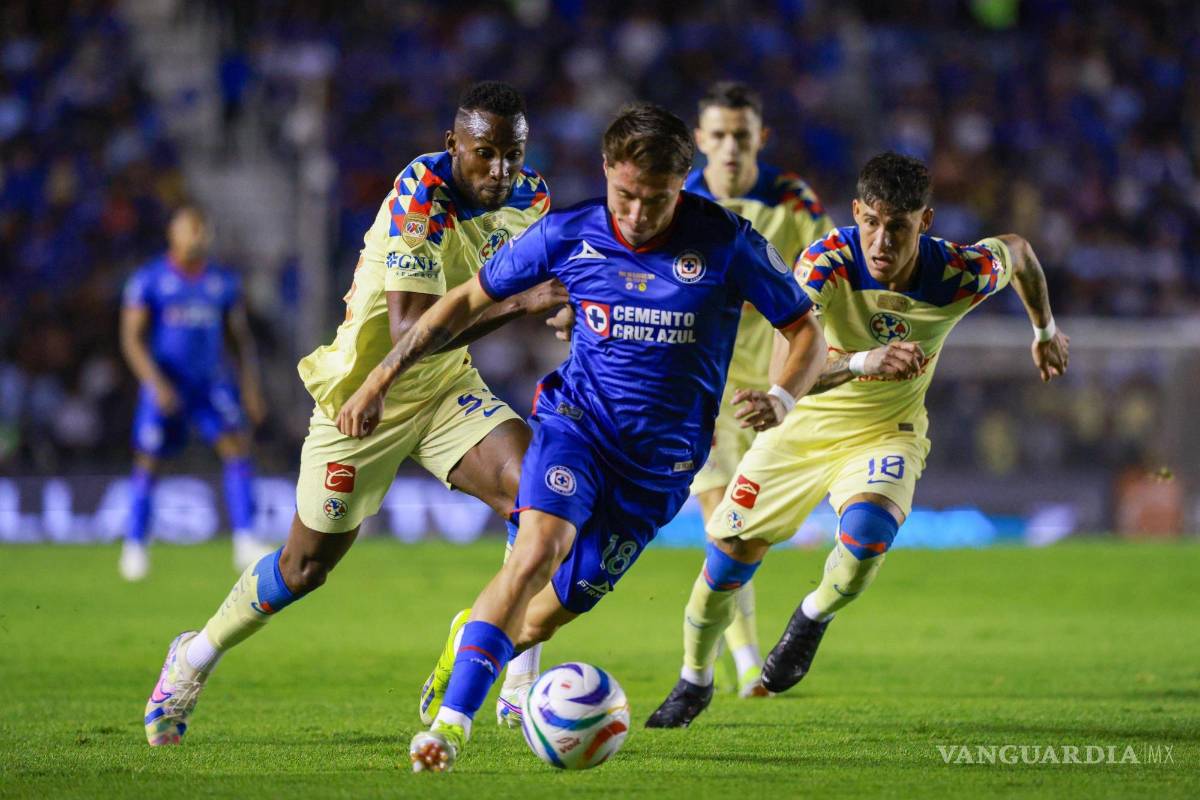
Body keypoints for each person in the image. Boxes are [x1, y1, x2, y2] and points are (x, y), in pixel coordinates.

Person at [334, 102, 827, 772]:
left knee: (537, 618)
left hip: (660, 469)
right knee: (536, 550)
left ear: (681, 185)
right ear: (606, 171)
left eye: (656, 199)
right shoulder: (570, 231)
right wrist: (380, 378)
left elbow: (804, 329)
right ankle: (450, 728)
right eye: (625, 195)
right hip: (577, 427)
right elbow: (465, 300)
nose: (637, 214)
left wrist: (782, 396)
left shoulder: (726, 241)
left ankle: (466, 639)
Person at [141, 81, 565, 746]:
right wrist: (524, 304)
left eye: (512, 153)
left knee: (540, 496)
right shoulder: (421, 194)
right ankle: (193, 656)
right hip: (363, 395)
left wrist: (571, 305)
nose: (501, 169)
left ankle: (514, 679)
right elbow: (411, 329)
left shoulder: (531, 197)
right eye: (485, 153)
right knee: (304, 569)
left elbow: (553, 276)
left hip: (445, 387)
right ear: (454, 145)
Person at [645, 151, 1070, 728]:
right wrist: (864, 361)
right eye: (871, 222)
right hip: (802, 432)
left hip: (886, 434)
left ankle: (812, 616)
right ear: (855, 213)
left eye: (898, 226)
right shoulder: (827, 262)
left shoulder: (957, 273)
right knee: (726, 562)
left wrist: (1044, 329)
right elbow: (786, 364)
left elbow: (1018, 252)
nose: (881, 241)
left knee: (868, 537)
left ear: (925, 222)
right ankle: (694, 679)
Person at [683, 80, 833, 697]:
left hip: (774, 394)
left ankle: (739, 660)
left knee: (750, 531)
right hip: (704, 393)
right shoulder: (681, 202)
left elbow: (829, 275)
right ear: (700, 139)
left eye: (740, 136)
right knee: (724, 522)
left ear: (760, 138)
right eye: (718, 135)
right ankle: (746, 665)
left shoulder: (793, 202)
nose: (729, 147)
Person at [118, 205, 272, 581]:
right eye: (191, 229)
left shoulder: (222, 282)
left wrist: (250, 388)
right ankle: (135, 545)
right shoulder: (150, 280)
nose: (199, 237)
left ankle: (245, 540)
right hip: (167, 383)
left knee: (236, 447)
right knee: (148, 458)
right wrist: (155, 383)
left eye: (203, 230)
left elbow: (239, 340)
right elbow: (131, 339)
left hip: (210, 383)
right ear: (173, 234)